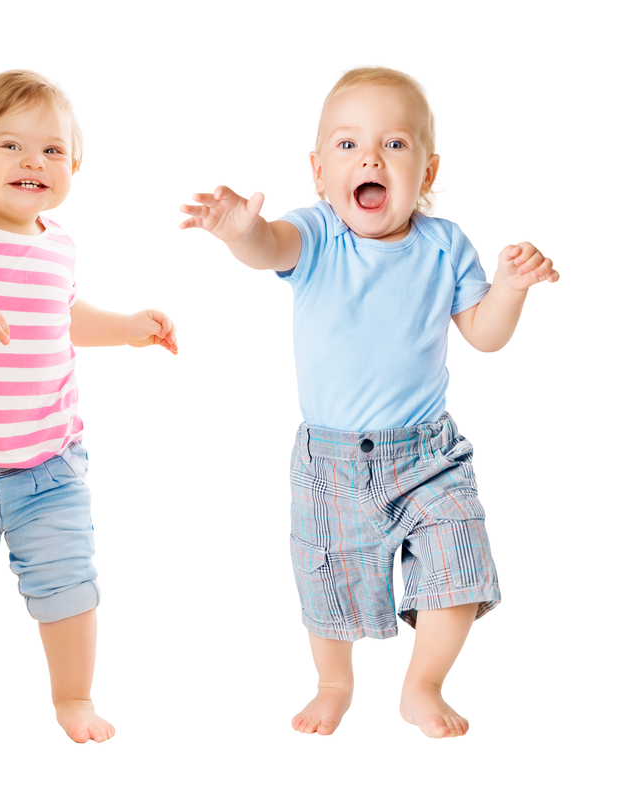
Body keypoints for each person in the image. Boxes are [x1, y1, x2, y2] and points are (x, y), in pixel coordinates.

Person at [180, 66, 558, 738]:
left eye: (395, 144)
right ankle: (333, 681)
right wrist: (242, 230)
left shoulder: (445, 247)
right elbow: (270, 248)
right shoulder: (317, 234)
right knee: (329, 577)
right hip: (331, 461)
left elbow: (485, 336)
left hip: (427, 452)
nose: (371, 158)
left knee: (458, 557)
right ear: (320, 170)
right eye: (348, 145)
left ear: (428, 170)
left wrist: (509, 288)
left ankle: (422, 684)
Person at [0, 69, 177, 743]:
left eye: (51, 150)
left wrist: (128, 326)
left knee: (70, 582)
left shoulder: (60, 243)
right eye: (11, 146)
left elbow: (65, 317)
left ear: (74, 164)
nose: (32, 162)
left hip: (51, 463)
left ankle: (73, 697)